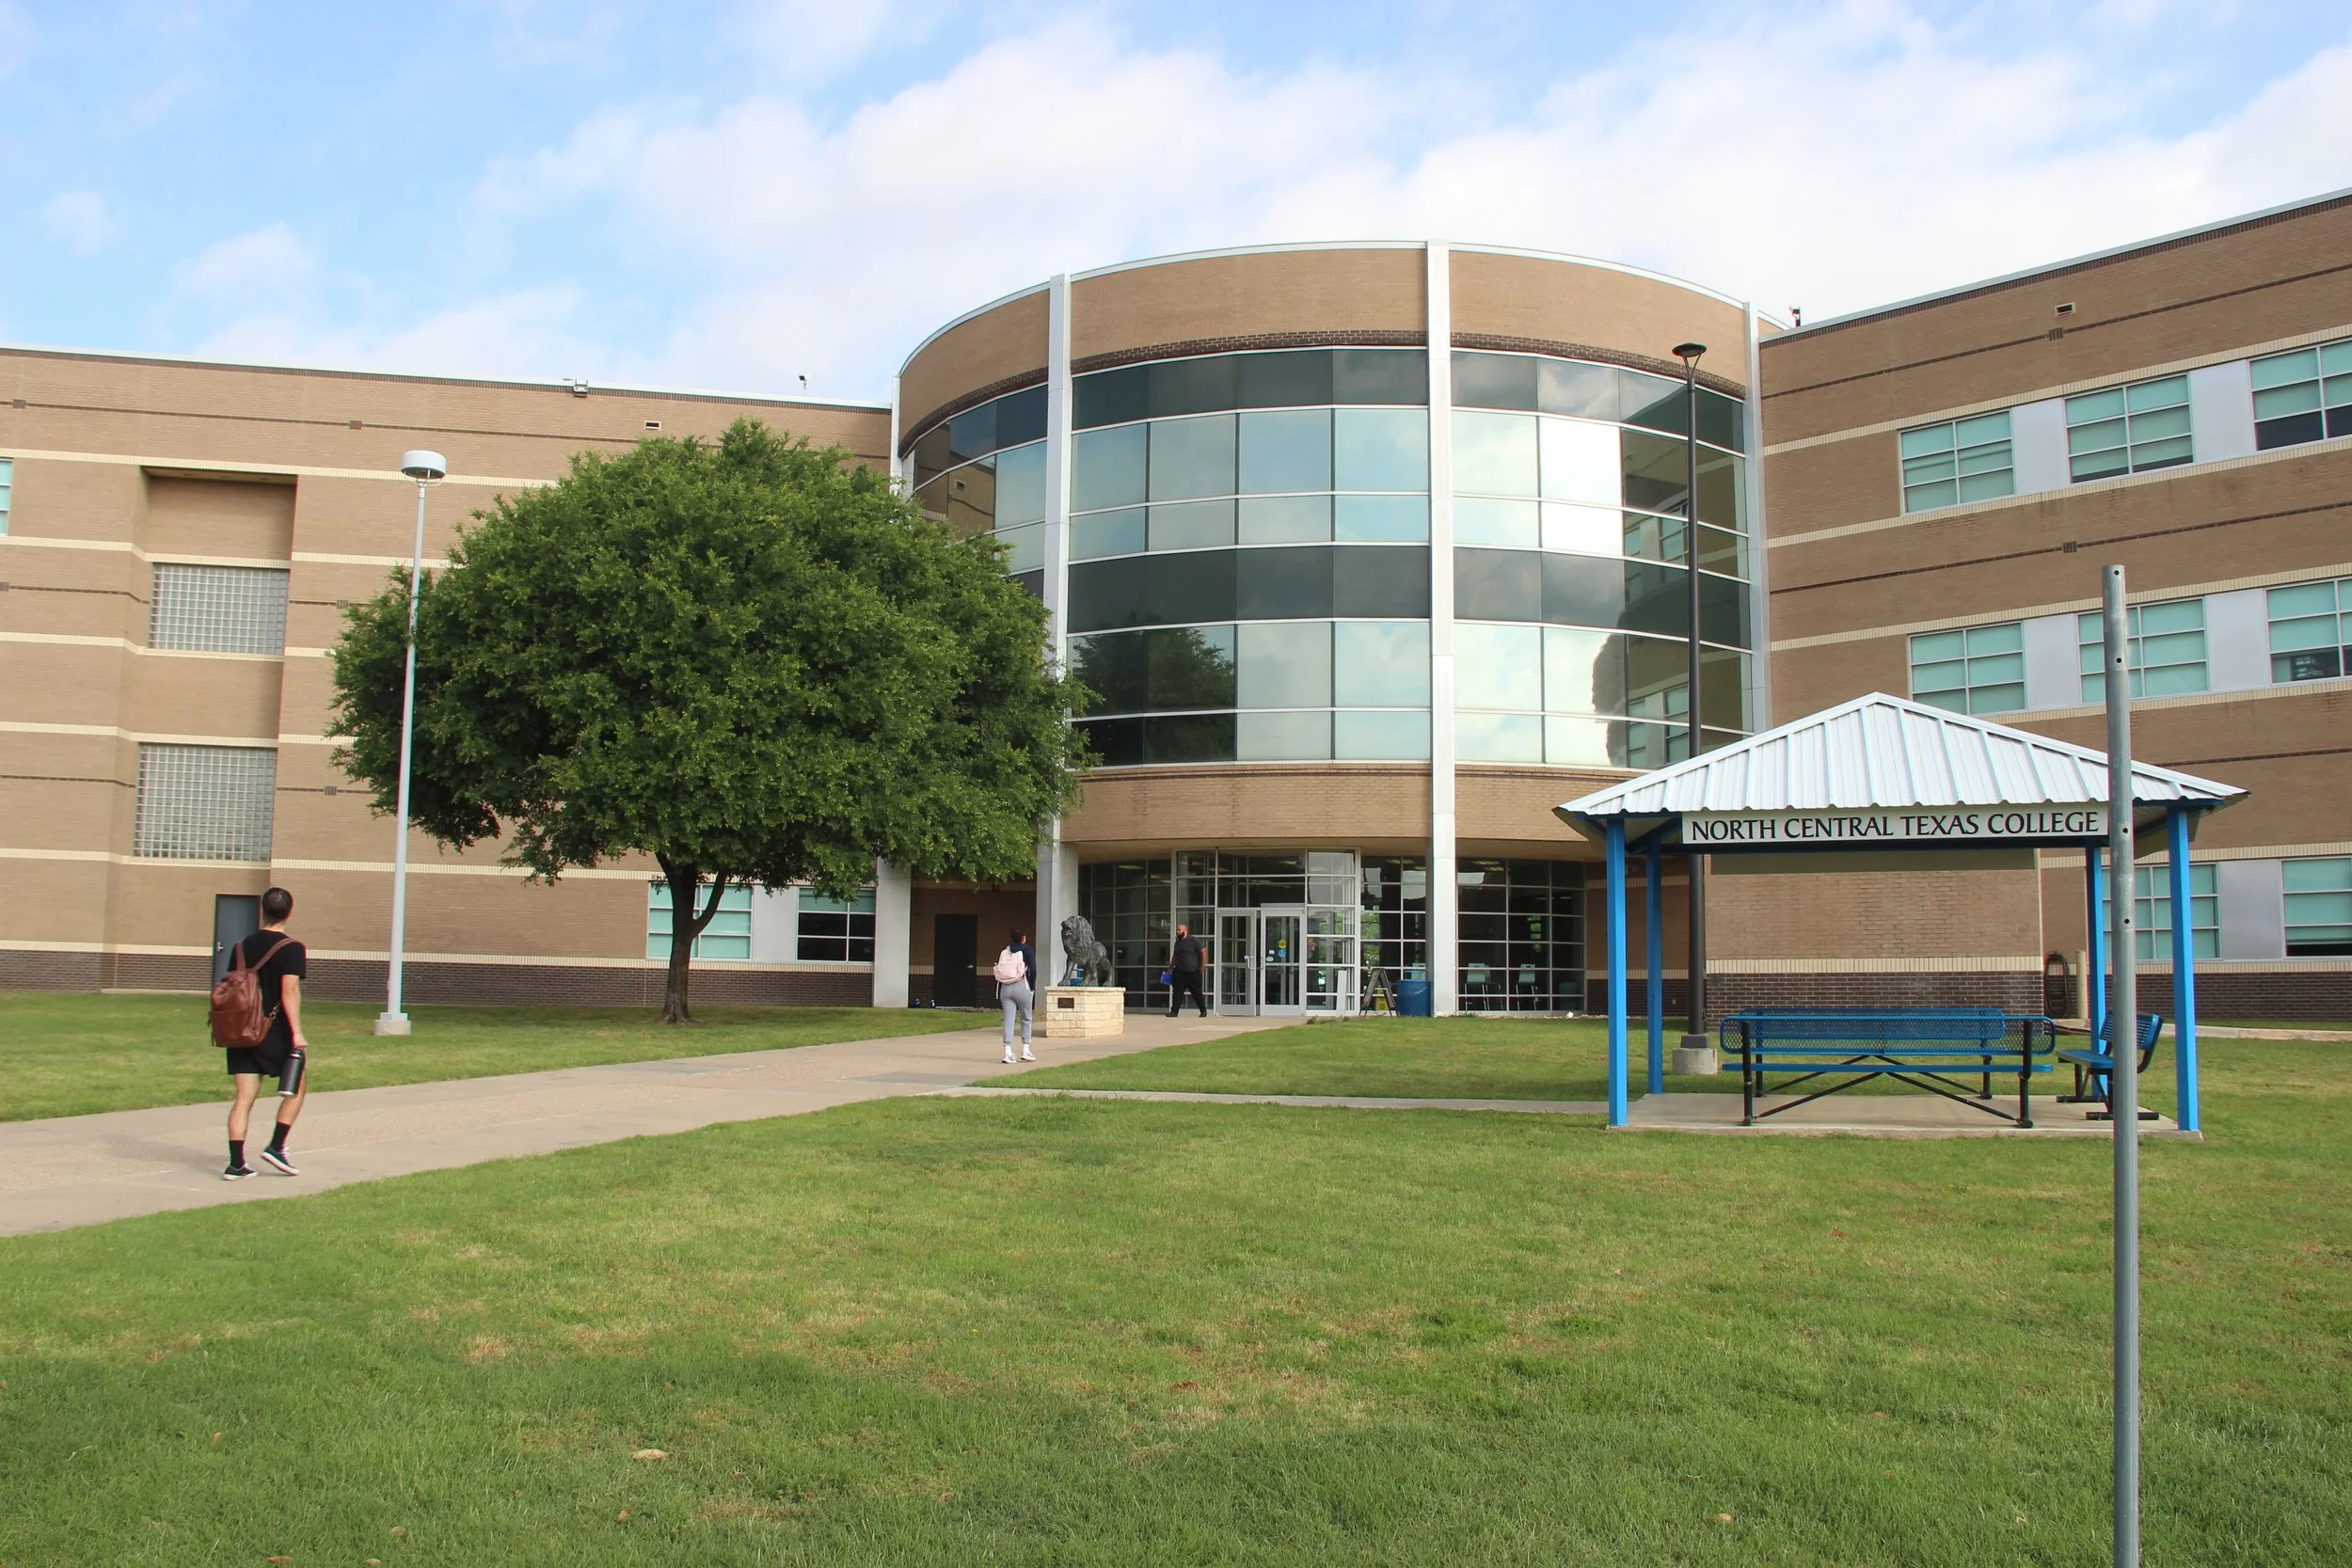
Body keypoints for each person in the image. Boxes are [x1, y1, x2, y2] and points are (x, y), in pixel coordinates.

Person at [223, 885, 310, 1179]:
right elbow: (290, 989)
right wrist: (297, 1032)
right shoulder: (292, 948)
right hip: (275, 1030)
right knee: (297, 1087)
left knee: (243, 1098)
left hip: (241, 1029)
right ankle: (276, 1146)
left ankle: (236, 1163)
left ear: (262, 911)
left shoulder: (240, 947)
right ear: (290, 912)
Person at [995, 927, 1038, 1065]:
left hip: (1005, 988)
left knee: (1008, 1019)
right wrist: (1031, 988)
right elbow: (1033, 969)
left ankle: (1007, 1052)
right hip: (1021, 985)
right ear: (1023, 938)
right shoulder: (1027, 950)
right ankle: (1026, 1050)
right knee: (1026, 1018)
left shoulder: (1005, 951)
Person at [1166, 923, 1208, 1018]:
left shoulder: (1194, 941)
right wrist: (1171, 968)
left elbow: (1203, 952)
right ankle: (1174, 1012)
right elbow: (1175, 956)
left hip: (1192, 972)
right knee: (1177, 993)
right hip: (1180, 972)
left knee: (1196, 993)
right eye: (1177, 930)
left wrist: (1202, 966)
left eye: (1179, 930)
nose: (1177, 932)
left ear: (1185, 931)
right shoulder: (1177, 943)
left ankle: (1203, 1011)